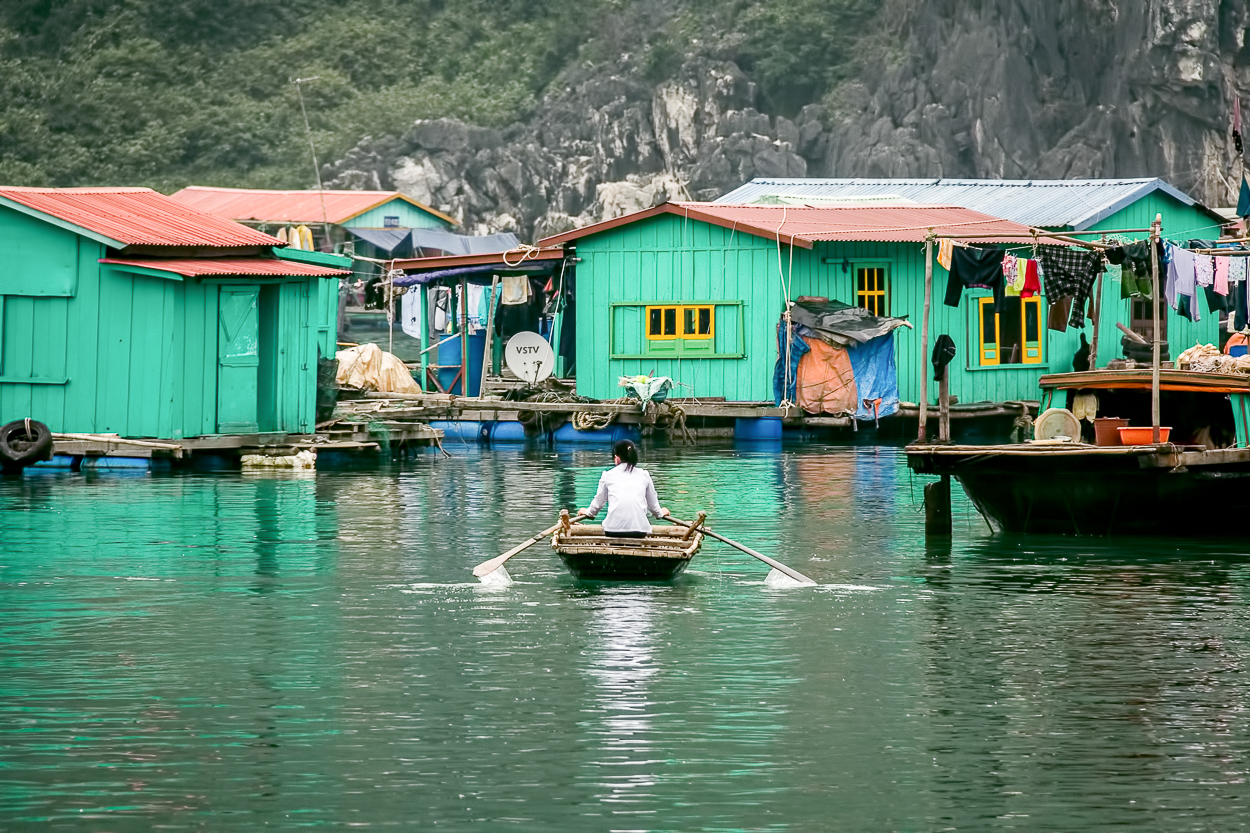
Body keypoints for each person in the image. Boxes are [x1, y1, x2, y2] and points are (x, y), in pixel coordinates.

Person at [580, 439, 668, 538]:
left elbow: (598, 503)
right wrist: (661, 513)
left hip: (612, 530)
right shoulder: (644, 475)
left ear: (617, 458)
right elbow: (653, 506)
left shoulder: (608, 475)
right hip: (639, 531)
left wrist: (588, 513)